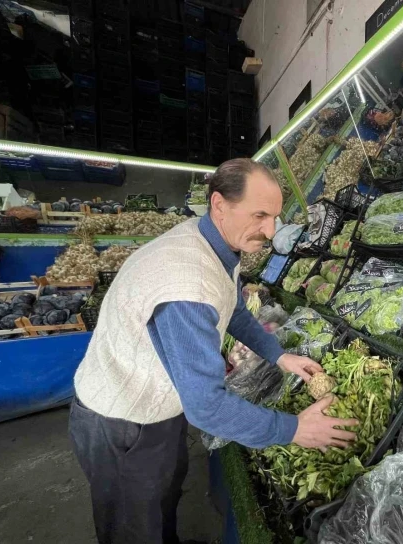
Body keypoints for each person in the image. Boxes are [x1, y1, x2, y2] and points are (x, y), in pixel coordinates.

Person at [68, 159, 360, 544]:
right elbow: (205, 407)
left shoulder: (213, 241)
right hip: (122, 420)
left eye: (275, 216)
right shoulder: (185, 283)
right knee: (133, 524)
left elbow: (232, 306)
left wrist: (278, 355)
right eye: (259, 215)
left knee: (163, 495)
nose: (271, 231)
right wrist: (294, 430)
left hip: (160, 404)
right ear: (220, 205)